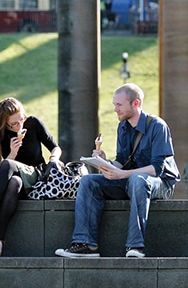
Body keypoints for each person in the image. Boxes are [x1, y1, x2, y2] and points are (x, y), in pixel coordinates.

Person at [55, 83, 179, 258]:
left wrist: (123, 174)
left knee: (138, 180)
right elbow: (122, 162)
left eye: (119, 105)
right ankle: (85, 245)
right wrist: (106, 162)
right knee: (89, 181)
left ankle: (135, 247)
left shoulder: (158, 126)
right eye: (114, 105)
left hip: (160, 184)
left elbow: (156, 169)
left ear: (135, 103)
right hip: (131, 181)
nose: (115, 109)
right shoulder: (122, 127)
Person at [0, 97, 62, 256]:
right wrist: (12, 153)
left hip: (36, 179)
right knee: (13, 182)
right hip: (19, 187)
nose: (20, 125)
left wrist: (53, 160)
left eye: (21, 119)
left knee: (7, 165)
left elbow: (56, 148)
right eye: (14, 124)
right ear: (4, 123)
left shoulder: (33, 123)